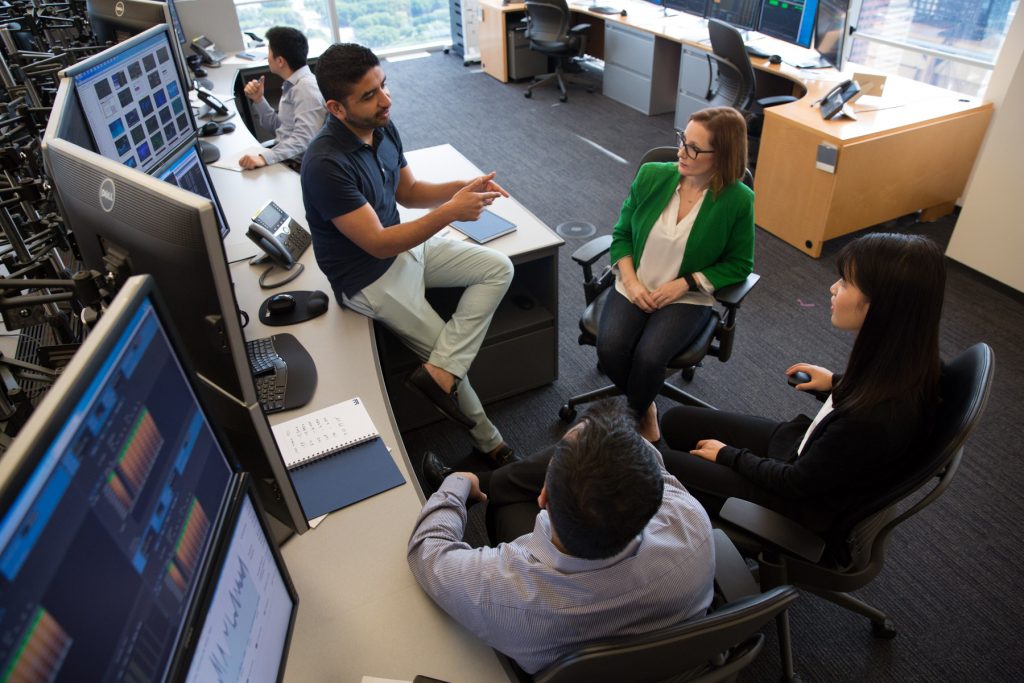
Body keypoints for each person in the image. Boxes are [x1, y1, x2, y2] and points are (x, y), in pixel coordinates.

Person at [300, 43, 515, 465]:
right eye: (369, 95)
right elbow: (377, 243)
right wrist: (452, 212)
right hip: (368, 276)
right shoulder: (325, 164)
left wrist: (461, 189)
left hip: (405, 246)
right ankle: (492, 445)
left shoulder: (382, 126)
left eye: (384, 85)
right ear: (336, 108)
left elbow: (409, 192)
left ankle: (439, 372)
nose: (385, 100)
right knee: (450, 361)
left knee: (498, 268)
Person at [659, 232, 945, 535]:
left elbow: (794, 482)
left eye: (846, 283)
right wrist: (835, 382)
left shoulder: (871, 420)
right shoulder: (907, 357)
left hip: (794, 501)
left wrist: (728, 455)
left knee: (661, 465)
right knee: (677, 421)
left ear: (880, 306)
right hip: (808, 449)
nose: (833, 288)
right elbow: (861, 409)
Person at [408, 401, 714, 675]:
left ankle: (482, 483)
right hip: (671, 662)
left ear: (543, 497)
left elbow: (426, 550)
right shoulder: (691, 519)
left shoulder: (508, 595)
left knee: (505, 506)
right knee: (585, 459)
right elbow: (647, 460)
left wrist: (456, 483)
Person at [596, 107, 754, 443]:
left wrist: (686, 283)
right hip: (635, 283)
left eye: (694, 148)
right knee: (609, 347)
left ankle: (629, 423)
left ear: (722, 155)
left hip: (686, 296)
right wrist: (631, 282)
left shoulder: (738, 200)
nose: (681, 151)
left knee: (650, 357)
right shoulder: (652, 176)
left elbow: (740, 264)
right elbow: (622, 234)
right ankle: (646, 405)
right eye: (683, 139)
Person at [238, 26, 325, 170]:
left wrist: (264, 158)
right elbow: (282, 129)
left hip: (297, 165)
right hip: (285, 156)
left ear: (280, 61)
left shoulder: (306, 89)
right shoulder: (293, 85)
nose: (267, 57)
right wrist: (259, 100)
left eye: (269, 52)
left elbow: (304, 139)